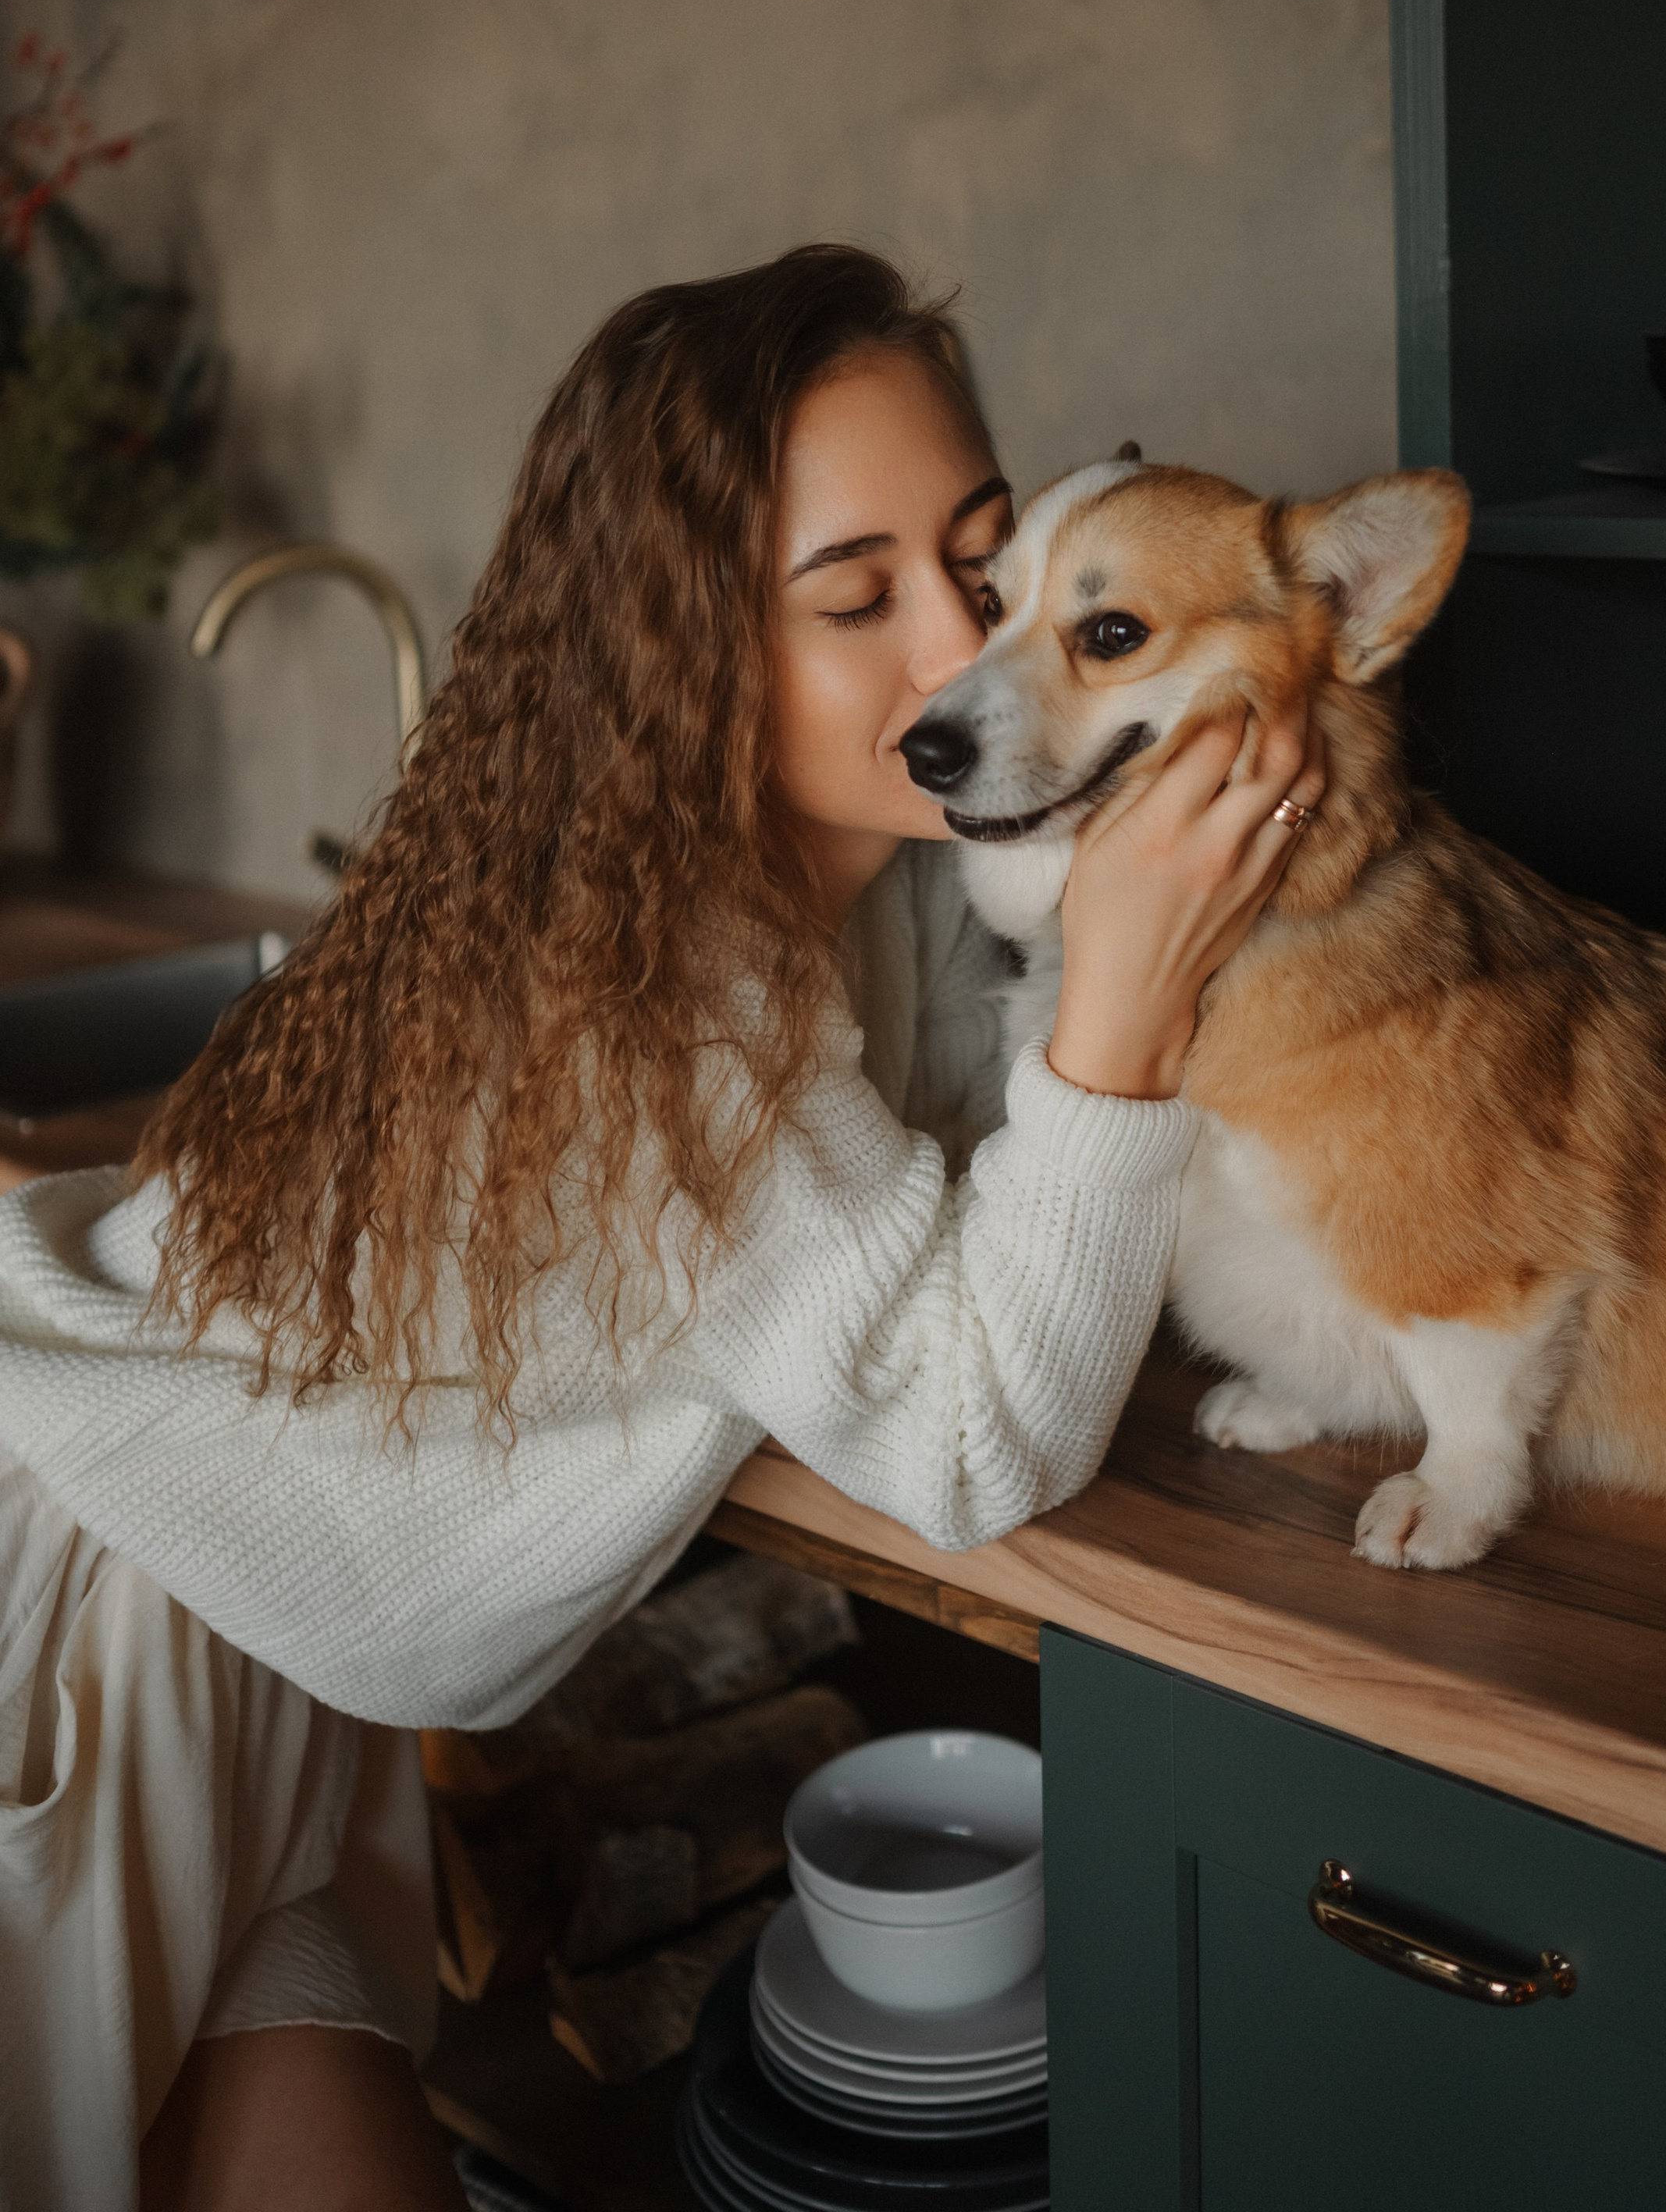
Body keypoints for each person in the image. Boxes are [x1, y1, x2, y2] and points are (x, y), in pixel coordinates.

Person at [0, 245, 1323, 2210]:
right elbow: (971, 1440)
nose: (954, 646)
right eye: (851, 598)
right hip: (100, 1647)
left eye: (981, 562)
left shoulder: (850, 878)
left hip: (269, 1663)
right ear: (679, 647)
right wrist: (1125, 1000)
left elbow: (962, 1177)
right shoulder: (654, 992)